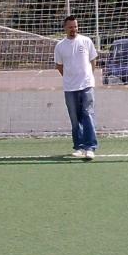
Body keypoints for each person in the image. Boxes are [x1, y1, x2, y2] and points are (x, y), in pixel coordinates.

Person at [54, 15, 98, 160]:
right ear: (65, 28)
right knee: (74, 118)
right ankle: (78, 147)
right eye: (70, 27)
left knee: (87, 114)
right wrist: (70, 79)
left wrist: (88, 78)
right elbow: (59, 67)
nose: (73, 29)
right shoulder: (60, 46)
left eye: (75, 26)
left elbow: (93, 61)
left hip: (86, 85)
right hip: (69, 88)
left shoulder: (86, 41)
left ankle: (90, 147)